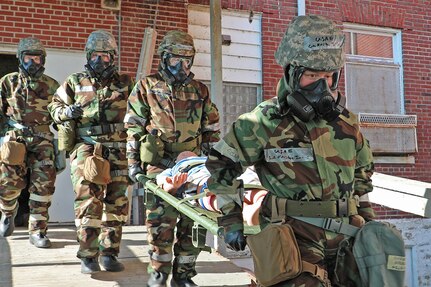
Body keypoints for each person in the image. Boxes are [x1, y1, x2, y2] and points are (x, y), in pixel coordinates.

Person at [205, 15, 375, 287]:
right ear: (291, 74)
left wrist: (370, 226)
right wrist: (231, 220)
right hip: (294, 239)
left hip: (348, 239)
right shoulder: (262, 122)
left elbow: (362, 180)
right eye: (311, 75)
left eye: (328, 77)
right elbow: (221, 166)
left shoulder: (347, 123)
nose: (323, 86)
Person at [125, 30, 220, 287]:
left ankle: (184, 274)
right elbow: (133, 128)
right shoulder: (146, 87)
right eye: (176, 60)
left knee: (194, 221)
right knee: (160, 221)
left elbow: (211, 129)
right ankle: (159, 272)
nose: (182, 66)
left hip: (192, 164)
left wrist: (212, 164)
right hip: (159, 165)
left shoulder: (199, 90)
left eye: (187, 61)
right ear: (165, 58)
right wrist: (133, 164)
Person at [48, 30, 134, 274]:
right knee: (89, 201)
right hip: (88, 147)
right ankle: (88, 255)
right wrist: (67, 113)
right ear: (88, 55)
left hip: (119, 149)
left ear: (113, 57)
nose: (100, 61)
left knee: (116, 204)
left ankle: (109, 253)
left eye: (105, 56)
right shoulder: (76, 81)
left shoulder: (126, 83)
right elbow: (54, 106)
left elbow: (142, 110)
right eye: (95, 55)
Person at [0, 37, 60, 248]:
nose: (32, 63)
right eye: (28, 58)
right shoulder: (8, 82)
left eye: (36, 58)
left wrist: (65, 145)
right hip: (15, 139)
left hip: (42, 141)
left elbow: (61, 117)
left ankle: (37, 230)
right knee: (8, 184)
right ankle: (7, 212)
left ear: (42, 60)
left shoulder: (52, 85)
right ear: (20, 58)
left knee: (43, 187)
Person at [156, 151, 267, 226]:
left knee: (247, 184)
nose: (186, 153)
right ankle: (247, 212)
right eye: (183, 155)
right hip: (197, 178)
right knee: (210, 193)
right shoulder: (175, 169)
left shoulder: (206, 158)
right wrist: (172, 185)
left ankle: (261, 200)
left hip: (223, 172)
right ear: (177, 161)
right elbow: (162, 182)